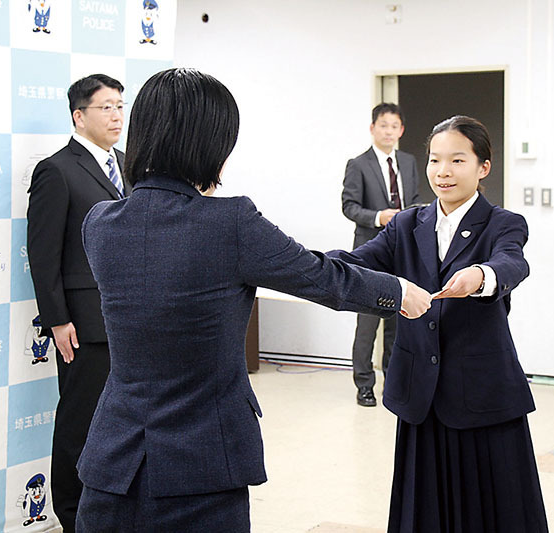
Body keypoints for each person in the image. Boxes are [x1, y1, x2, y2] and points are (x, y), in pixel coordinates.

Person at [74, 68, 432, 532]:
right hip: (200, 470)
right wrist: (400, 291)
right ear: (209, 144)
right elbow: (320, 277)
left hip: (111, 464)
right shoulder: (230, 222)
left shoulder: (100, 223)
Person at [330, 116, 548, 532]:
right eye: (434, 161)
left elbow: (511, 262)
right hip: (421, 398)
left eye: (457, 160)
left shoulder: (504, 223)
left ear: (484, 167)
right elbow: (356, 262)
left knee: (496, 511)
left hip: (484, 396)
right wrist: (307, 266)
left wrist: (481, 276)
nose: (442, 172)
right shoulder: (407, 225)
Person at [26, 73, 129, 531]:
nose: (117, 115)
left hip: (131, 317)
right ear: (79, 115)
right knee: (79, 423)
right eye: (107, 107)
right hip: (83, 324)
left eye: (121, 106)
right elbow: (44, 254)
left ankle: (115, 510)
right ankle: (71, 516)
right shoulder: (57, 169)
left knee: (123, 423)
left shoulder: (131, 164)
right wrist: (58, 320)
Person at [341, 103, 421, 406]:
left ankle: (393, 377)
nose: (389, 131)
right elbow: (349, 206)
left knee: (398, 317)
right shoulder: (358, 164)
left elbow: (414, 201)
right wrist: (379, 217)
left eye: (395, 126)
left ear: (401, 131)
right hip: (370, 250)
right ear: (373, 128)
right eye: (383, 125)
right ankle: (364, 384)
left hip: (403, 249)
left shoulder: (409, 162)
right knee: (368, 321)